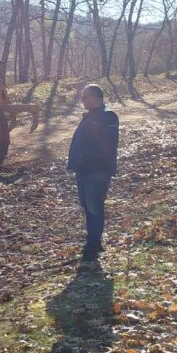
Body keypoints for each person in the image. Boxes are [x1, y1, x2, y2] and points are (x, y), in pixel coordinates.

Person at [67, 84, 119, 262]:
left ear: (96, 98)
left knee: (94, 206)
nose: (82, 101)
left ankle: (94, 244)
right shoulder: (90, 116)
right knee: (87, 205)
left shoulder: (108, 116)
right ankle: (92, 241)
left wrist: (95, 164)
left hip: (97, 170)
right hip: (84, 169)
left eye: (85, 97)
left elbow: (106, 145)